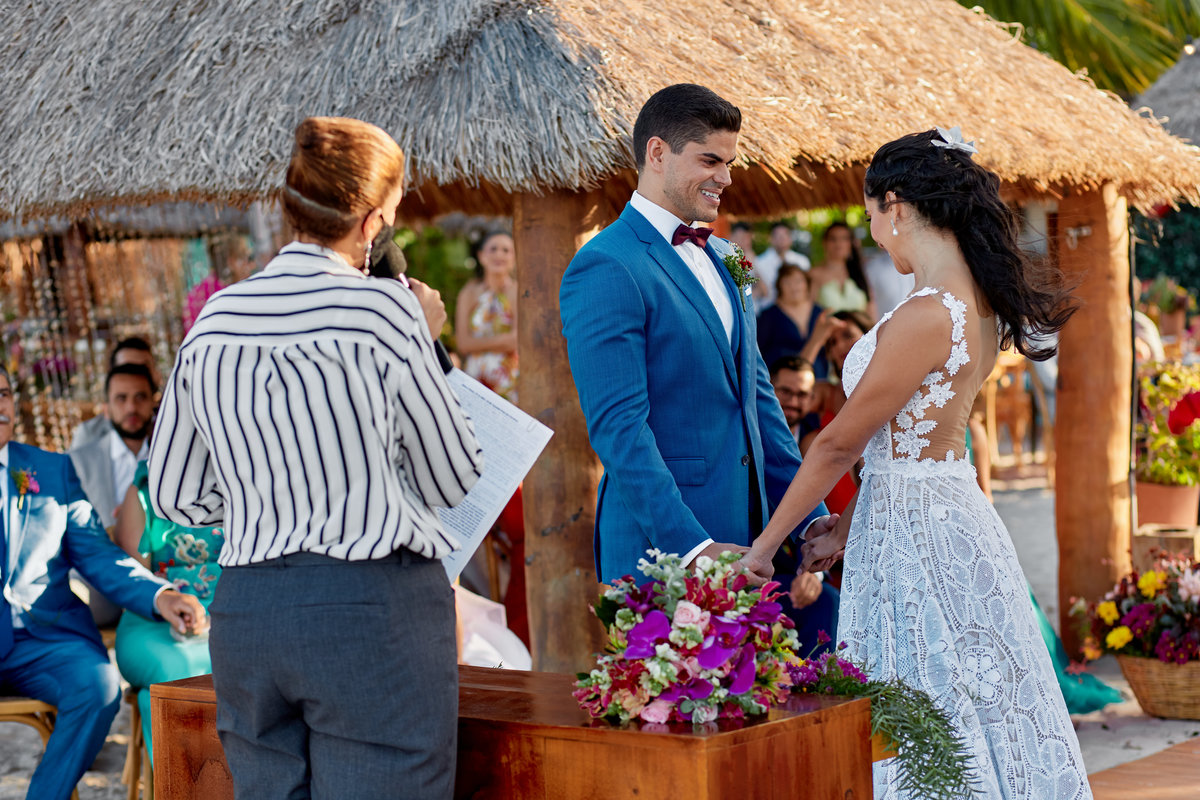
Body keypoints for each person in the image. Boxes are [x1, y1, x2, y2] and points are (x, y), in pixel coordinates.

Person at [743, 128, 1091, 798]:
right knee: (955, 696)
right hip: (936, 509)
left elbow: (840, 443)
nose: (876, 235)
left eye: (873, 217)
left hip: (919, 531)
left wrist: (765, 546)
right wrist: (845, 523)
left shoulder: (930, 313)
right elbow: (917, 440)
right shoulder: (978, 306)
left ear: (895, 204)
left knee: (928, 698)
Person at [149, 116, 483, 800]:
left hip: (250, 610)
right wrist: (431, 345)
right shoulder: (385, 314)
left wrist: (261, 493)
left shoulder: (213, 320)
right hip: (371, 609)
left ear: (289, 207)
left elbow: (178, 495)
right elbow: (453, 477)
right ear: (372, 222)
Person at [560, 83, 834, 584]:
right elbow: (619, 428)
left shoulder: (728, 257)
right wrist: (692, 548)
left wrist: (808, 517)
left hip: (750, 540)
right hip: (663, 549)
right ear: (658, 153)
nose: (725, 178)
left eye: (729, 163)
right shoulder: (605, 266)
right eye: (710, 161)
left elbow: (758, 401)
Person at [0, 365, 205, 800]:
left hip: (46, 638)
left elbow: (96, 552)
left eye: (3, 395)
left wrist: (159, 594)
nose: (0, 407)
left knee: (99, 686)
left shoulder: (50, 470)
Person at [113, 459, 223, 762]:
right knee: (178, 675)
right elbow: (135, 582)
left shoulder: (245, 480)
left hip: (231, 618)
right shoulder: (144, 491)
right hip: (154, 622)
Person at [69, 362, 157, 627]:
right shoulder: (76, 462)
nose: (131, 408)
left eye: (140, 397)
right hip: (99, 579)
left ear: (153, 403)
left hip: (164, 570)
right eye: (121, 399)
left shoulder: (171, 458)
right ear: (105, 409)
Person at [455, 231, 518, 402]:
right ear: (482, 256)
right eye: (493, 249)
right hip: (475, 379)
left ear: (514, 257)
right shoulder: (468, 293)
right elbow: (463, 343)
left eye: (506, 250)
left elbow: (516, 341)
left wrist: (477, 344)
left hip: (510, 380)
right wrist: (503, 341)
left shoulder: (518, 292)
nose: (499, 254)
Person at [70, 336, 158, 450]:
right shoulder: (89, 435)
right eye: (126, 369)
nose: (135, 378)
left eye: (143, 369)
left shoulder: (170, 422)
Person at [757, 265, 829, 377]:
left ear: (807, 284)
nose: (794, 287)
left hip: (818, 377)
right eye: (787, 282)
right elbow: (759, 351)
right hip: (781, 378)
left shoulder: (820, 313)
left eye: (798, 281)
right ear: (779, 286)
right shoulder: (768, 316)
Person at [809, 222, 876, 320]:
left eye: (844, 239)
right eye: (833, 239)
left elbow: (871, 310)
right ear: (824, 243)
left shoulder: (859, 273)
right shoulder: (814, 274)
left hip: (861, 333)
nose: (838, 244)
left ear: (850, 243)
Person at [753, 221, 810, 311]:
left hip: (796, 311)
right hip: (768, 312)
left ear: (790, 238)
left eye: (785, 236)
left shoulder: (802, 261)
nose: (782, 240)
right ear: (770, 238)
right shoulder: (758, 263)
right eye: (778, 236)